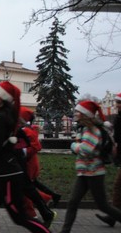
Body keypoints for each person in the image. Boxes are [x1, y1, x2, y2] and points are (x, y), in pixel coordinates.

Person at [0, 81, 50, 233]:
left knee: (19, 217)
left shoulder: (0, 119)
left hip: (7, 176)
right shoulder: (7, 116)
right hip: (2, 174)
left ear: (3, 98)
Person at [60, 100, 121, 232]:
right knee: (73, 202)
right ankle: (65, 231)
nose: (76, 114)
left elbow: (86, 150)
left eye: (78, 112)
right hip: (84, 172)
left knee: (103, 205)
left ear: (85, 114)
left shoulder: (92, 130)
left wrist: (73, 146)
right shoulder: (86, 129)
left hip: (94, 173)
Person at [13, 107, 56, 227]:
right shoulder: (24, 129)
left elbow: (37, 146)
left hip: (29, 166)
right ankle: (47, 200)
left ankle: (34, 218)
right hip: (26, 164)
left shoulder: (27, 131)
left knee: (24, 192)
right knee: (28, 190)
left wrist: (22, 152)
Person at [95, 92, 121, 227]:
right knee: (118, 188)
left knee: (117, 187)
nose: (117, 105)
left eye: (119, 103)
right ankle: (113, 216)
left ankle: (113, 216)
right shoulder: (118, 118)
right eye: (117, 102)